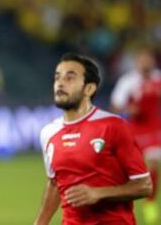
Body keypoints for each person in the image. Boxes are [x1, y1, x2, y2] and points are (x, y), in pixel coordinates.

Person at [34, 53, 152, 225]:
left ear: (89, 89)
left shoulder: (113, 126)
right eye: (57, 77)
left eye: (70, 78)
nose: (60, 83)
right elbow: (54, 183)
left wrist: (98, 193)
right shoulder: (48, 133)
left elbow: (144, 185)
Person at [111, 48, 161, 225]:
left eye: (148, 59)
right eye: (142, 59)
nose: (146, 63)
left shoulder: (158, 78)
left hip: (154, 128)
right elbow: (116, 105)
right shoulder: (128, 81)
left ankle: (150, 204)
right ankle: (123, 203)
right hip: (134, 130)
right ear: (137, 62)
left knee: (153, 164)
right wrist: (128, 109)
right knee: (128, 170)